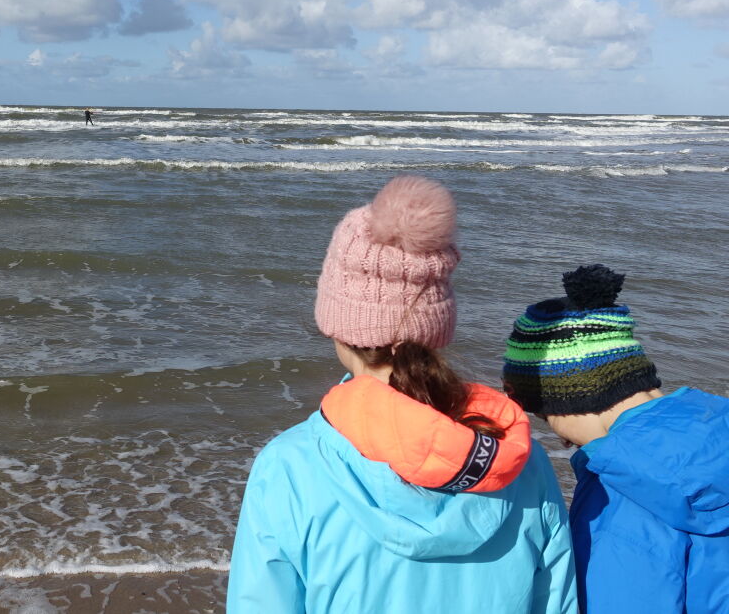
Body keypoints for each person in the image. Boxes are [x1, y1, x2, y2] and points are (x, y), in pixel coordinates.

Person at [228, 176, 576, 613]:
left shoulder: (290, 464)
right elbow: (557, 600)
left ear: (337, 326)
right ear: (437, 326)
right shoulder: (517, 457)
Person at [503, 264, 729, 614]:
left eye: (543, 416)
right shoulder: (717, 423)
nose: (560, 437)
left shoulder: (622, 490)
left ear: (567, 402)